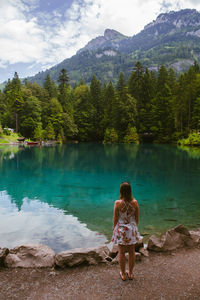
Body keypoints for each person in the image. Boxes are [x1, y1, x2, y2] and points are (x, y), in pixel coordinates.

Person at [112, 182, 142, 281]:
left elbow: (115, 218)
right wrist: (134, 228)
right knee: (131, 251)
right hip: (131, 229)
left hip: (121, 229)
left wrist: (114, 228)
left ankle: (123, 274)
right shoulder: (135, 202)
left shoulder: (117, 203)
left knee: (121, 252)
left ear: (121, 191)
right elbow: (137, 218)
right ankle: (131, 273)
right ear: (130, 191)